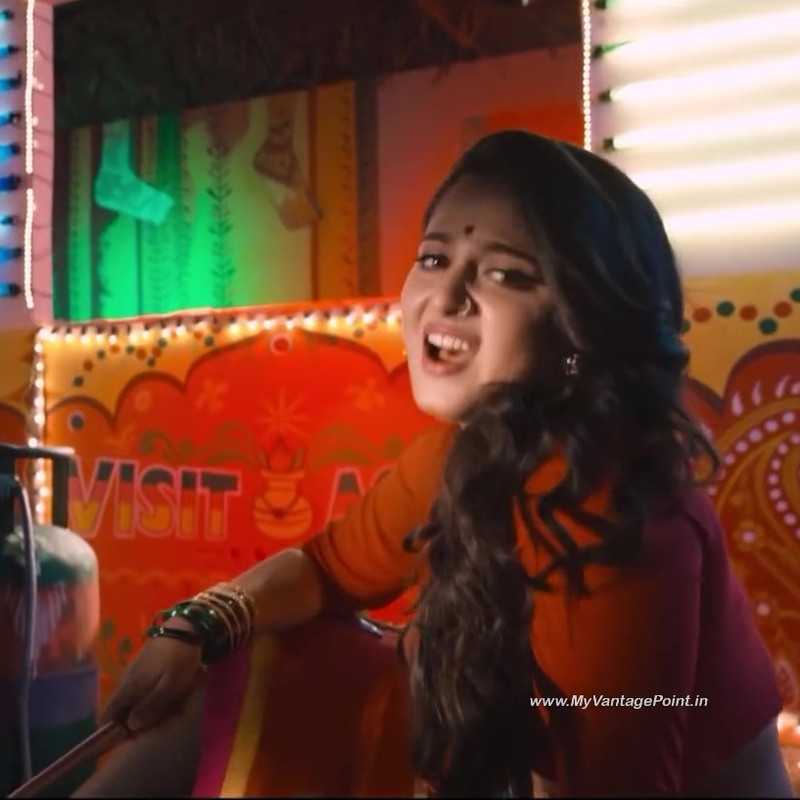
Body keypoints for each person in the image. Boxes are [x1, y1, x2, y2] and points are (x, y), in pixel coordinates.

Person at [76, 130, 792, 797]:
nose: (446, 298)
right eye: (434, 258)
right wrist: (191, 630)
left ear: (585, 325)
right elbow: (324, 573)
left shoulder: (611, 518)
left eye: (506, 274)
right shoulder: (467, 456)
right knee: (265, 660)